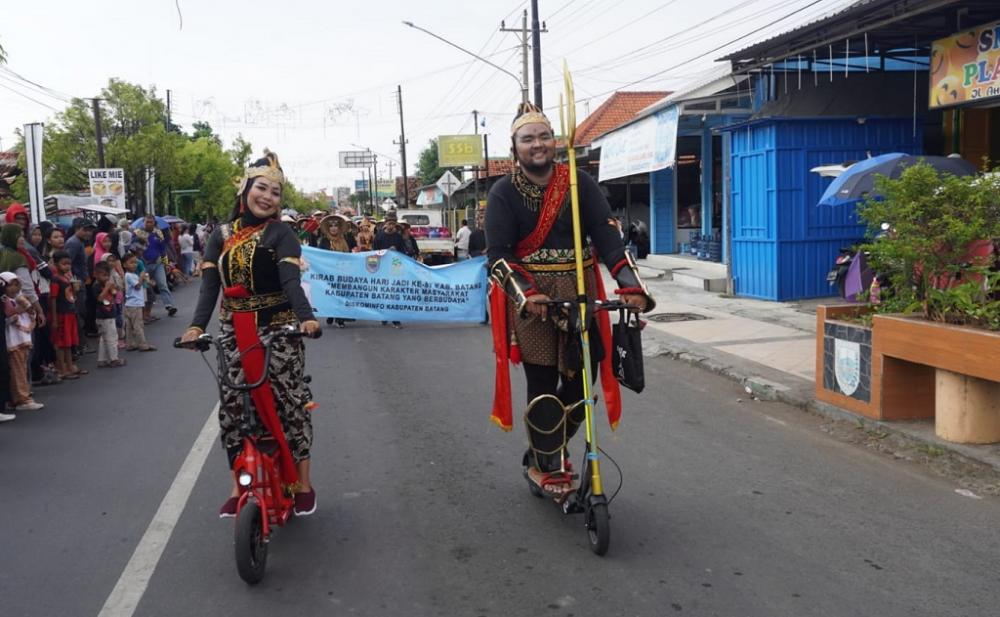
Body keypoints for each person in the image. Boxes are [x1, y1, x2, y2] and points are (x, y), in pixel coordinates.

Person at [485, 102, 655, 496]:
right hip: (534, 301)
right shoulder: (503, 192)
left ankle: (549, 445)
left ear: (555, 142)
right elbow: (498, 256)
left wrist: (631, 287)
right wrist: (528, 294)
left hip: (582, 294)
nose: (538, 144)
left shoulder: (580, 183)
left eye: (544, 136)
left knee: (582, 382)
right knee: (543, 384)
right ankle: (546, 462)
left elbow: (607, 239)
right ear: (515, 147)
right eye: (528, 138)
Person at [179, 151, 321, 518]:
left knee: (290, 404)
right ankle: (236, 484)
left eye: (275, 192)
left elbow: (290, 281)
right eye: (262, 188)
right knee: (234, 409)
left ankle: (300, 484)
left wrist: (306, 319)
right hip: (233, 330)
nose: (268, 197)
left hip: (280, 328)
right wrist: (196, 326)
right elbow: (211, 288)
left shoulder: (282, 232)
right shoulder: (220, 236)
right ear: (244, 188)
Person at [1, 272, 43, 411]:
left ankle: (22, 395)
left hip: (24, 338)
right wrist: (16, 313)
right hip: (13, 341)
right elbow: (6, 321)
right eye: (11, 285)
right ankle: (22, 399)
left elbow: (31, 314)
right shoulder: (5, 302)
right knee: (18, 371)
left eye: (16, 285)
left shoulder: (20, 298)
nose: (14, 288)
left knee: (23, 369)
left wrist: (30, 310)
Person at [48, 250, 84, 379]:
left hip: (70, 313)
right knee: (61, 343)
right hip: (61, 314)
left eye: (69, 264)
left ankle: (70, 366)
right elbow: (53, 299)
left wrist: (75, 290)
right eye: (64, 264)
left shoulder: (68, 278)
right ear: (56, 265)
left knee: (69, 343)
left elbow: (71, 296)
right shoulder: (56, 280)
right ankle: (63, 369)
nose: (67, 266)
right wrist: (54, 319)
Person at [317, 214, 354, 328]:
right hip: (329, 271)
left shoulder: (345, 239)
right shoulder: (324, 240)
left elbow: (351, 251)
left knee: (342, 294)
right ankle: (331, 314)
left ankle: (340, 318)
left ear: (339, 228)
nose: (333, 228)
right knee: (331, 294)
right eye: (331, 227)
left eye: (336, 226)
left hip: (343, 270)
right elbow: (321, 255)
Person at [65, 218, 96, 347]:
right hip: (76, 283)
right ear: (77, 228)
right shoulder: (74, 243)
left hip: (81, 281)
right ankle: (80, 344)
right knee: (79, 312)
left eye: (90, 231)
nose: (88, 233)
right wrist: (74, 284)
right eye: (85, 230)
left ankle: (80, 343)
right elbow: (67, 264)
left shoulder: (80, 242)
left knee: (82, 312)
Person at [141, 215, 178, 318]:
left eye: (151, 222)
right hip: (144, 264)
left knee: (163, 284)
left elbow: (163, 250)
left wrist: (166, 263)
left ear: (154, 223)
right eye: (147, 222)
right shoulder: (138, 233)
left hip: (157, 263)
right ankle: (146, 311)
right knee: (146, 287)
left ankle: (169, 305)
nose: (148, 224)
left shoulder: (158, 233)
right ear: (143, 223)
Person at [91, 261, 125, 368]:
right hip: (104, 316)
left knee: (104, 338)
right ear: (96, 274)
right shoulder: (96, 286)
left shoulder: (106, 284)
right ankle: (114, 359)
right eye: (103, 275)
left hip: (109, 314)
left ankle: (102, 359)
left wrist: (112, 288)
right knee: (112, 337)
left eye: (107, 275)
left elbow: (114, 295)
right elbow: (99, 299)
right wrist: (106, 288)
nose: (106, 278)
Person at [122, 253, 155, 352]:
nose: (134, 265)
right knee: (138, 325)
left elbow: (142, 283)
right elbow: (137, 286)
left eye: (135, 262)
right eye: (131, 263)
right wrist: (141, 277)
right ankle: (143, 344)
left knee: (130, 326)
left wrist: (148, 281)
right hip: (134, 304)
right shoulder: (129, 275)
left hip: (130, 304)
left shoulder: (132, 275)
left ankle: (130, 344)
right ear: (125, 265)